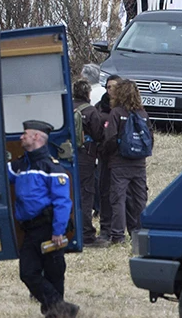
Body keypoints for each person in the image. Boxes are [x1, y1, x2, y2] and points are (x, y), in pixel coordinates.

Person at [8, 120, 78, 318]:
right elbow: (2, 174)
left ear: (36, 137)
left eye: (25, 133)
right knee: (28, 273)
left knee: (54, 274)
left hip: (48, 229)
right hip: (30, 230)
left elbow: (63, 202)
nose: (21, 137)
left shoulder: (51, 168)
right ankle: (62, 308)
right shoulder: (21, 165)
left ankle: (56, 313)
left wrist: (58, 231)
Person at [100, 79, 150, 246]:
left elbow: (110, 138)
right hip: (139, 164)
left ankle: (117, 236)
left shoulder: (116, 113)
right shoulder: (143, 114)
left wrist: (108, 153)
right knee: (140, 200)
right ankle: (140, 233)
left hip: (119, 163)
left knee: (118, 200)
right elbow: (150, 139)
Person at [73, 70, 106, 245]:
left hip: (68, 155)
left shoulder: (65, 108)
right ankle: (86, 233)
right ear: (88, 93)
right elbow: (99, 134)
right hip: (86, 156)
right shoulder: (91, 111)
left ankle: (69, 230)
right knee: (86, 194)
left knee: (69, 193)